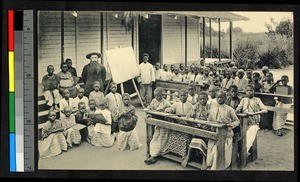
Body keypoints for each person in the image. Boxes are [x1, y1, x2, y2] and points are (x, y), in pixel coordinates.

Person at [206, 90, 240, 170]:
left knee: (219, 150)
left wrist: (229, 125)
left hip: (226, 134)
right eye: (218, 97)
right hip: (214, 133)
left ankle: (218, 167)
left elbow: (237, 121)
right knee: (212, 149)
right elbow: (209, 118)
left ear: (225, 98)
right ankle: (210, 164)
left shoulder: (229, 109)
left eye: (222, 97)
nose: (220, 99)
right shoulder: (212, 107)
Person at [163, 89, 194, 162]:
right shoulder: (176, 104)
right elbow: (171, 109)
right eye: (181, 95)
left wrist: (187, 116)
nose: (183, 97)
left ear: (187, 96)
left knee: (185, 137)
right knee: (172, 135)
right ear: (179, 96)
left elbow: (192, 114)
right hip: (178, 125)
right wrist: (167, 110)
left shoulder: (190, 105)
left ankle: (184, 155)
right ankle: (173, 151)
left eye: (185, 95)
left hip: (187, 126)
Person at [182, 91, 210, 168]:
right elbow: (188, 117)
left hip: (205, 128)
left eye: (204, 99)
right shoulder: (195, 106)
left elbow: (211, 119)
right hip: (197, 128)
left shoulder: (209, 107)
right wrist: (194, 124)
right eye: (201, 99)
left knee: (202, 138)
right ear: (198, 100)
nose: (202, 101)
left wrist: (205, 126)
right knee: (195, 136)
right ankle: (188, 156)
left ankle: (204, 160)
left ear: (207, 99)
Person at [236, 84, 267, 153]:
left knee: (249, 136)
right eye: (247, 90)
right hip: (244, 122)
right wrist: (238, 111)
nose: (249, 92)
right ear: (245, 92)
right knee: (240, 135)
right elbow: (237, 109)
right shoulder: (244, 100)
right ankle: (242, 151)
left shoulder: (257, 100)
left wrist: (255, 113)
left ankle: (244, 151)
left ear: (254, 91)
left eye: (251, 90)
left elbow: (265, 110)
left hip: (253, 122)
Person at [144, 87, 172, 165]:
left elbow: (171, 109)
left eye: (158, 96)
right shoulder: (154, 101)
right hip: (157, 123)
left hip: (164, 123)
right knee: (154, 138)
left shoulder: (166, 102)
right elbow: (149, 108)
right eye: (155, 96)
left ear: (162, 95)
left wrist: (164, 110)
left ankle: (155, 155)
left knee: (161, 139)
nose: (156, 97)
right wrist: (149, 112)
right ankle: (153, 154)